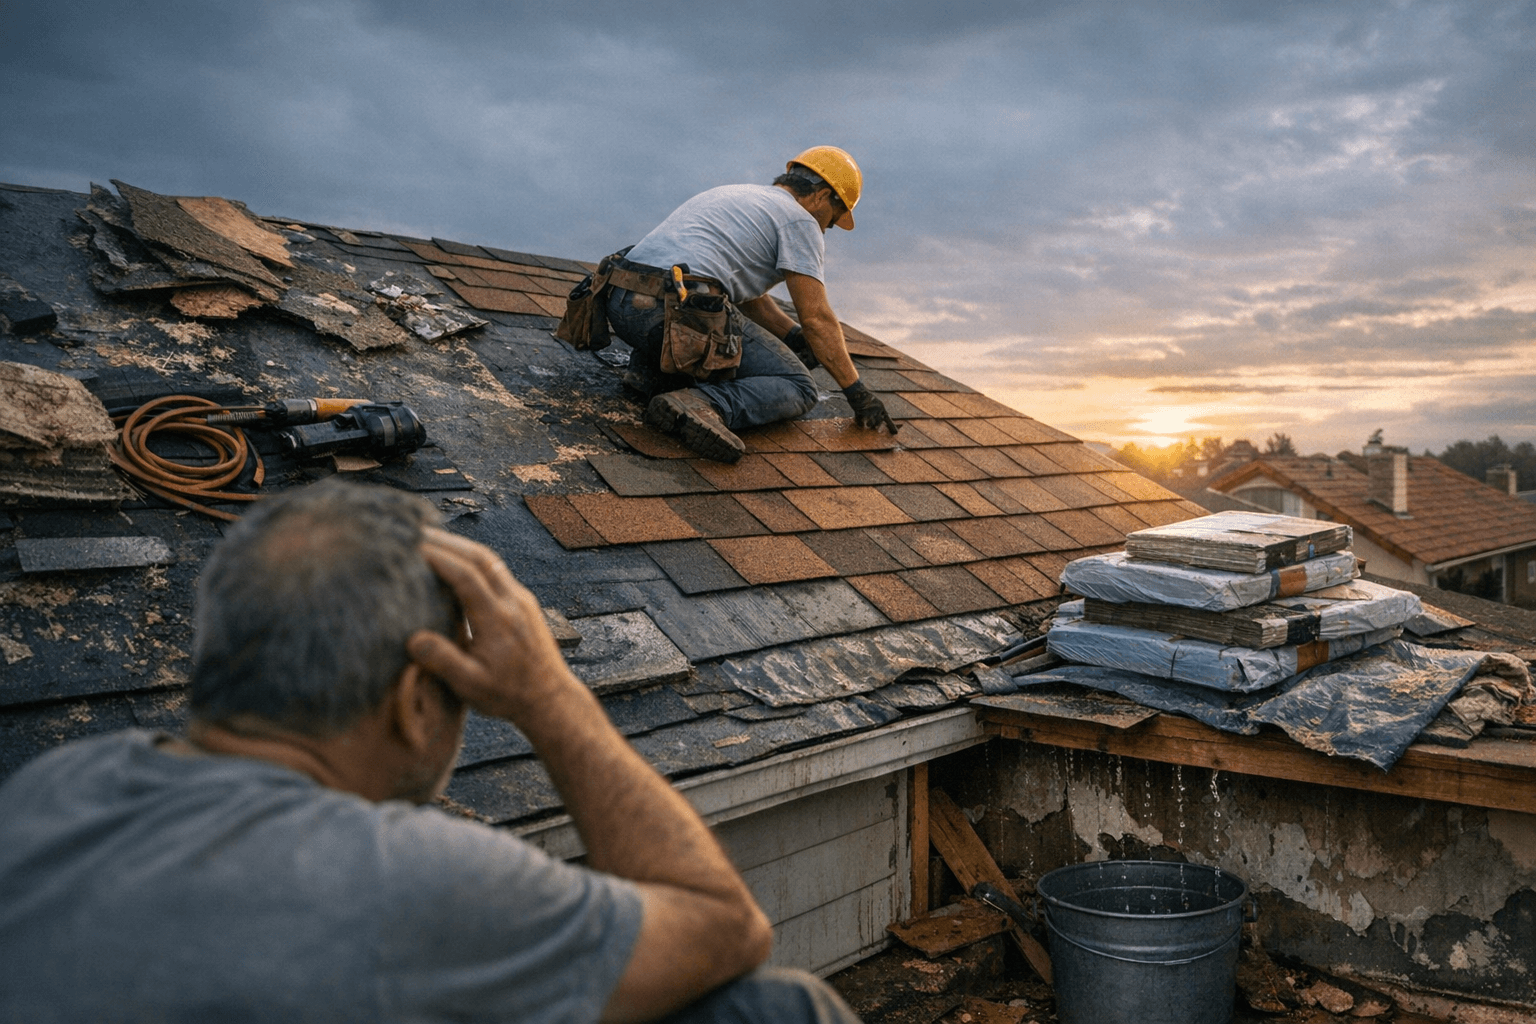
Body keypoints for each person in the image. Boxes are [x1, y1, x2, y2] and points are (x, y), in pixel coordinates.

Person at [0, 480, 861, 1024]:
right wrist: (551, 696)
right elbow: (724, 929)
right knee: (768, 1010)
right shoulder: (399, 877)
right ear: (416, 703)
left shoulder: (56, 786)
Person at [607, 146, 898, 463]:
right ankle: (702, 404)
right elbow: (817, 317)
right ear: (822, 195)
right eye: (834, 217)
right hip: (670, 315)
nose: (828, 228)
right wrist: (857, 392)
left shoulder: (740, 195)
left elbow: (749, 299)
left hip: (622, 303)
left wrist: (792, 337)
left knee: (718, 321)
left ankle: (648, 374)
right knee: (798, 386)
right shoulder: (800, 221)